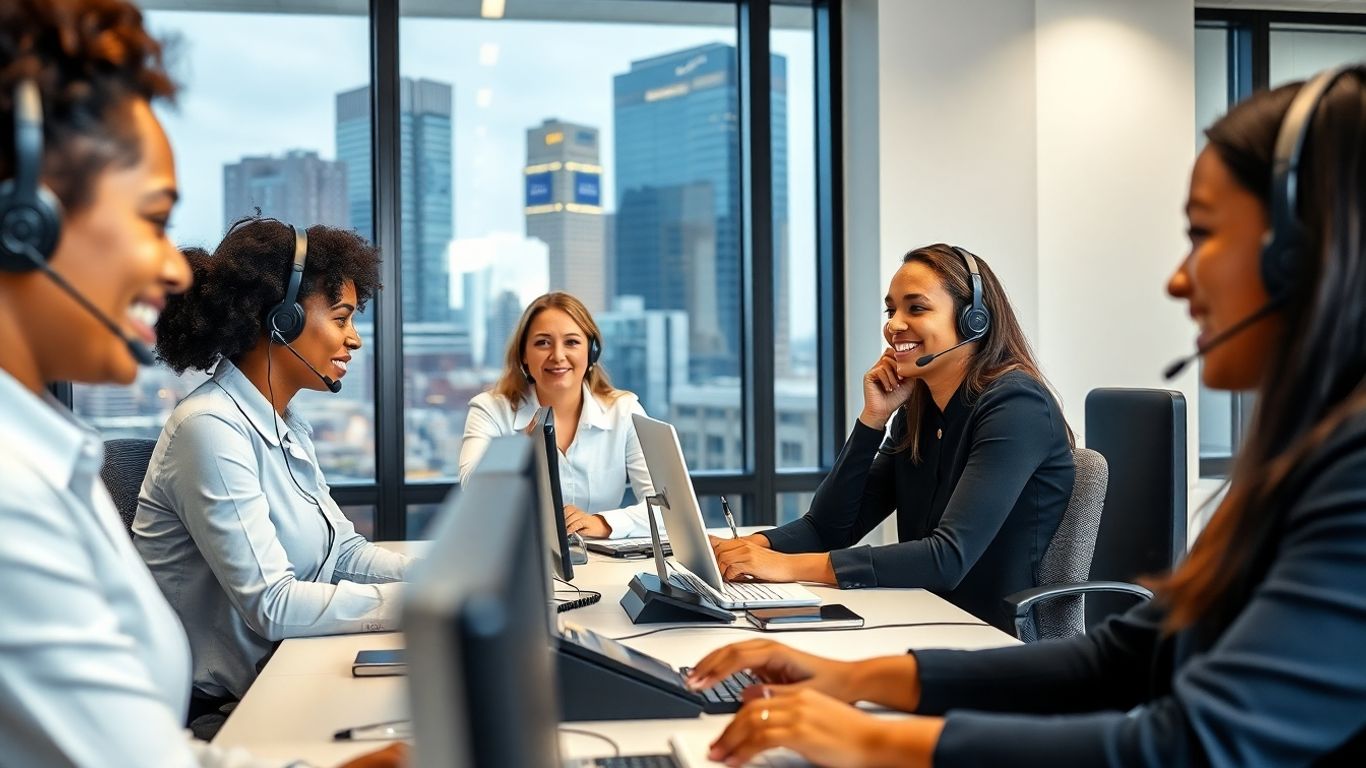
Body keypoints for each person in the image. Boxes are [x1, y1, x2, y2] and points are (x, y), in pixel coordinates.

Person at [686, 65, 1366, 767]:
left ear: (1302, 251)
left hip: (974, 618)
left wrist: (873, 736)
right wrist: (849, 678)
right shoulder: (1296, 467)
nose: (1178, 278)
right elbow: (1119, 659)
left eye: (1203, 234)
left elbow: (1190, 746)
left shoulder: (1352, 480)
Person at [0, 2, 402, 765]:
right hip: (241, 703)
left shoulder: (52, 470)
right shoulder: (18, 500)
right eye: (149, 219)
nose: (174, 267)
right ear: (26, 223)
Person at [713, 244, 1074, 632]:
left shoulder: (1016, 406)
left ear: (975, 321)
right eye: (892, 310)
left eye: (915, 308)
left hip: (987, 637)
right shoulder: (920, 410)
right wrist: (873, 420)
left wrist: (785, 567)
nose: (894, 325)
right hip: (918, 616)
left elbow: (947, 558)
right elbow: (830, 528)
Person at [135, 217, 414, 708]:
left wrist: (449, 576)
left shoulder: (285, 425)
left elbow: (342, 555)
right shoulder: (210, 428)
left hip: (285, 672)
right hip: (222, 710)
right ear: (280, 320)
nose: (355, 339)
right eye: (342, 317)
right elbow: (272, 605)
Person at [459, 291, 656, 539]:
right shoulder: (489, 409)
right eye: (542, 342)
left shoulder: (624, 411)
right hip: (513, 558)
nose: (558, 356)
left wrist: (603, 523)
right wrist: (519, 452)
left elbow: (665, 510)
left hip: (599, 564)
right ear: (523, 355)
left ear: (591, 351)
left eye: (572, 342)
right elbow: (473, 491)